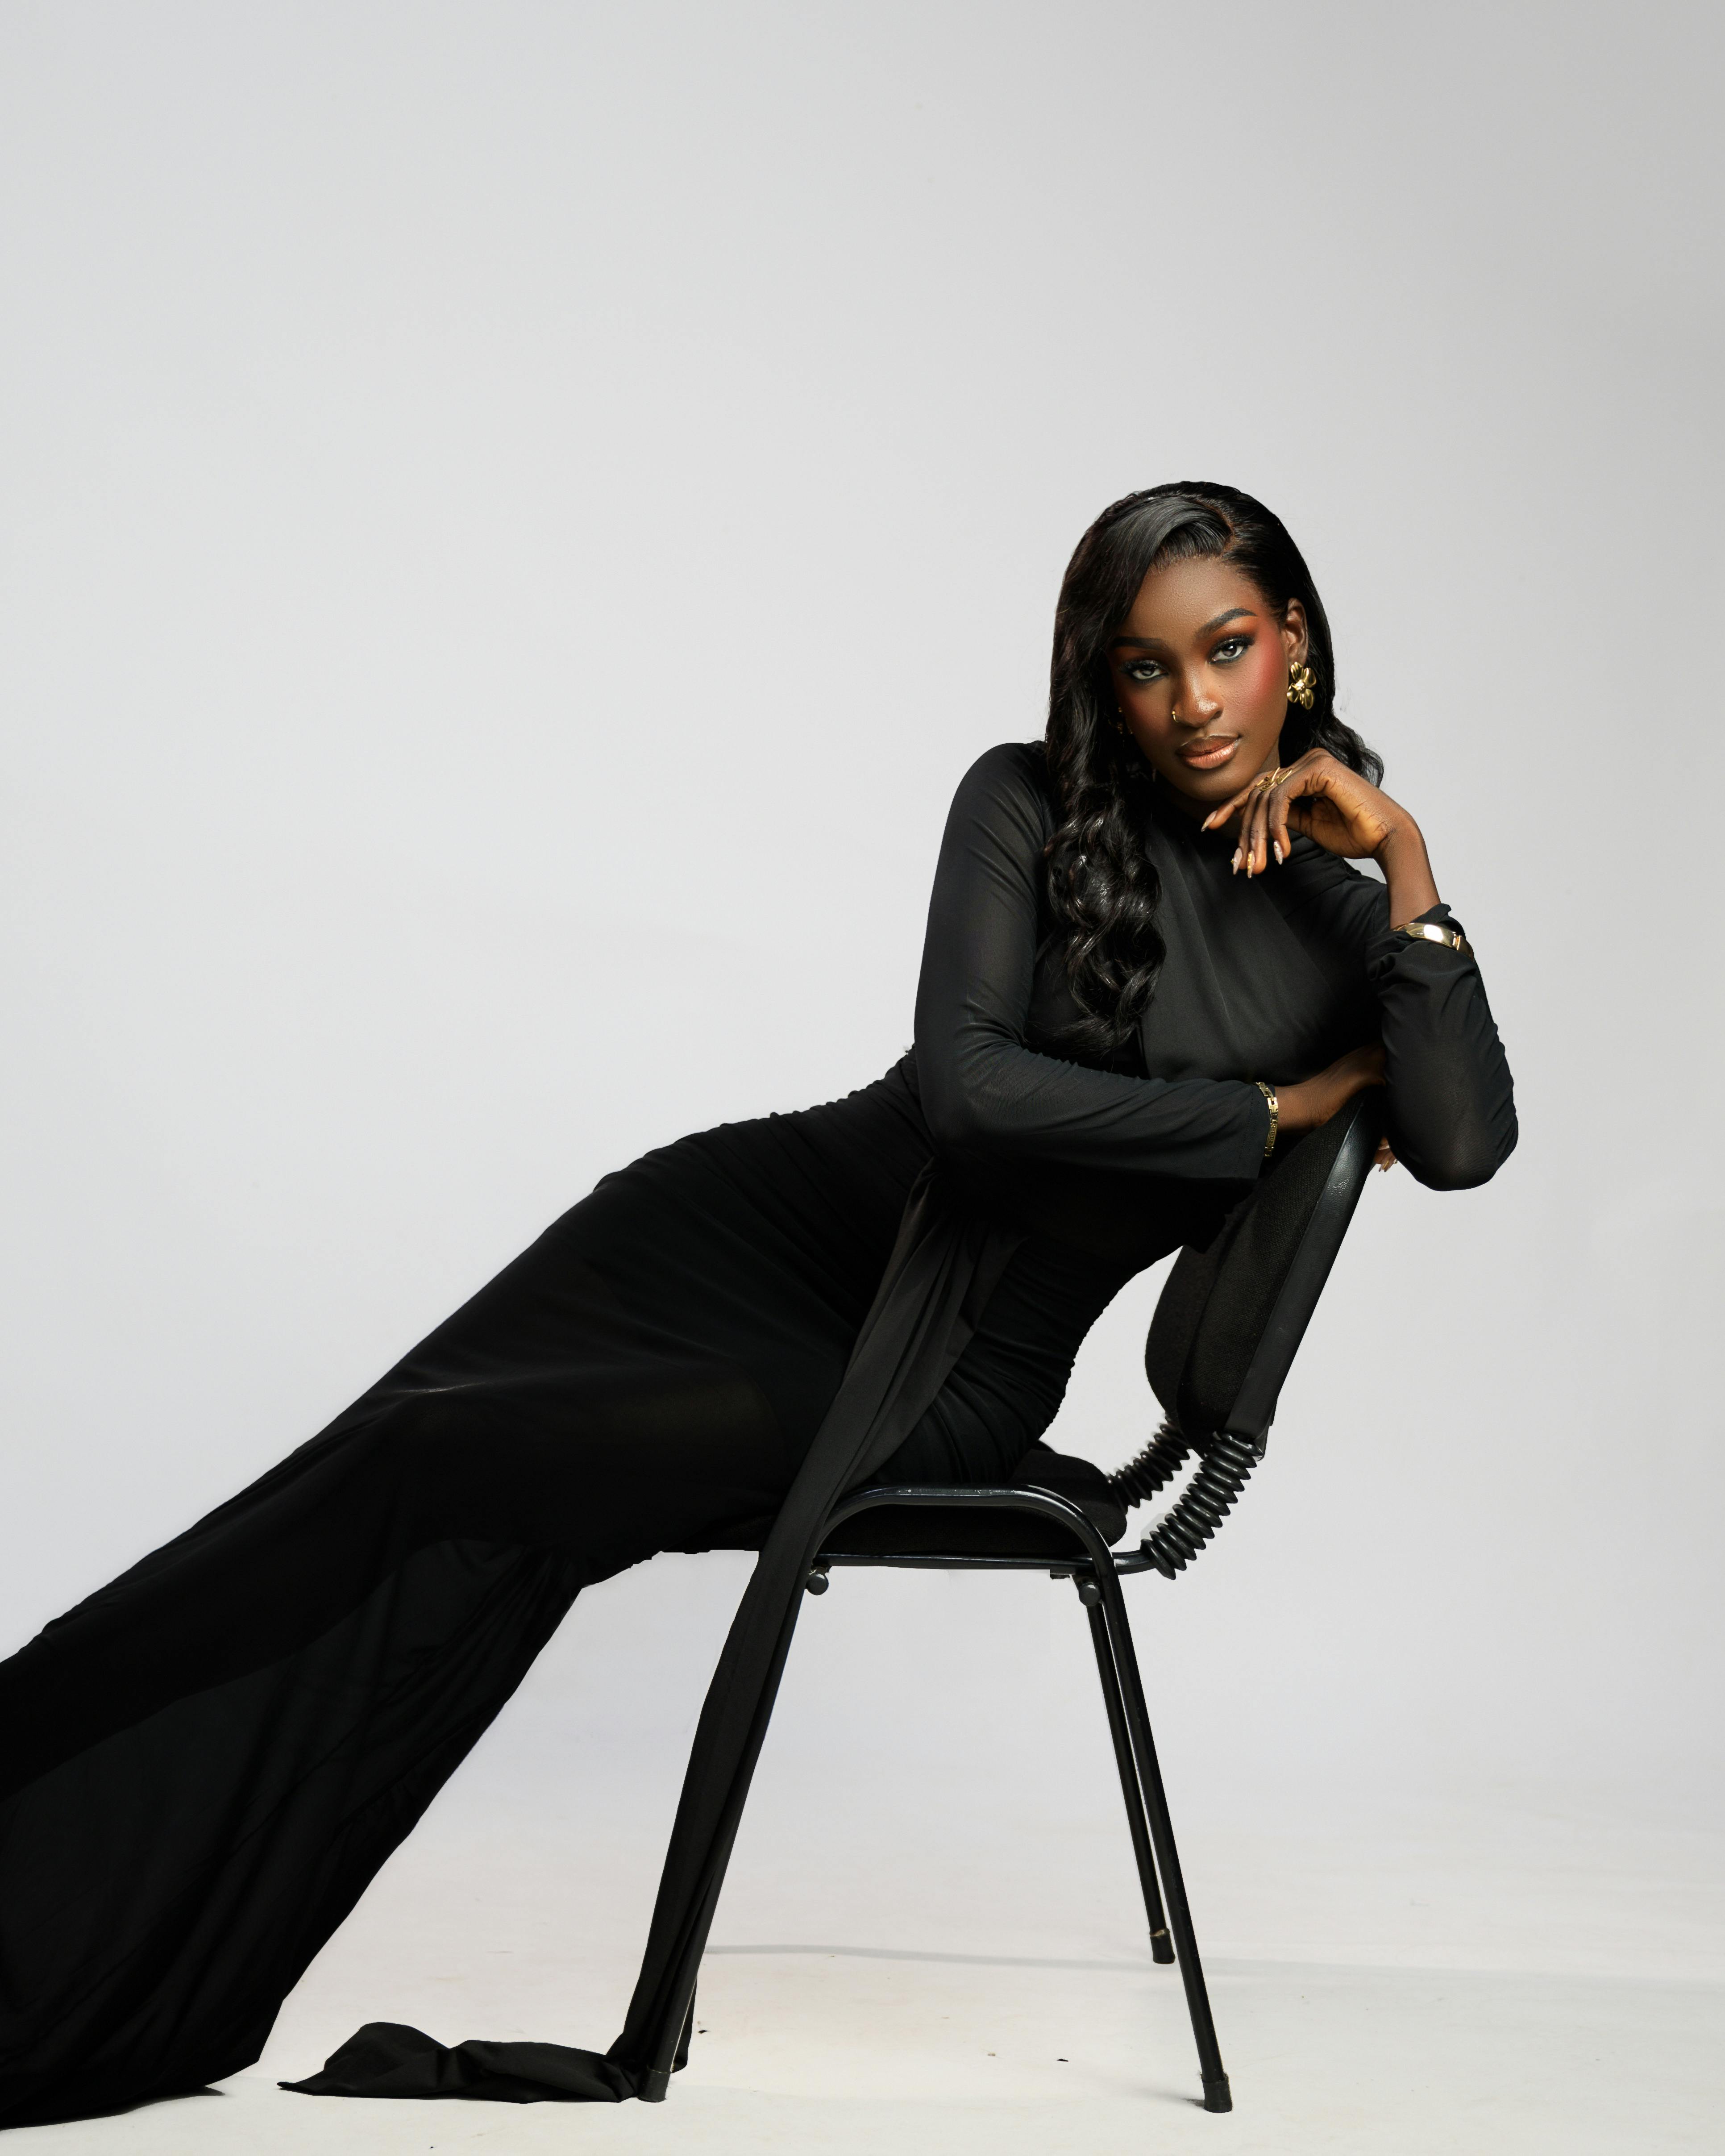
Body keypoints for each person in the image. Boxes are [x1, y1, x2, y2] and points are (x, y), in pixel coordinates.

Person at [0, 483, 1516, 2126]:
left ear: (1290, 643)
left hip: (939, 1364)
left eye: (1226, 650)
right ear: (1105, 681)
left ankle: (107, 1941)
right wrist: (1262, 1117)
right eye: (1146, 668)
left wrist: (1413, 868)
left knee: (452, 1470)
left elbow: (1461, 1140)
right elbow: (963, 1093)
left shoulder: (1350, 919)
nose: (1192, 703)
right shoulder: (1021, 800)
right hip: (742, 1224)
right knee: (393, 1458)